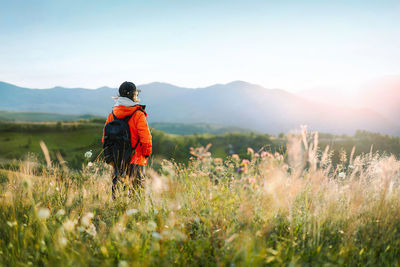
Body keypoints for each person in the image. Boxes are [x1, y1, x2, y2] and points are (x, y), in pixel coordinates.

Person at [102, 81, 152, 197]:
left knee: (118, 190)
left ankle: (118, 211)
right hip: (135, 158)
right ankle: (136, 214)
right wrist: (146, 153)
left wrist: (111, 157)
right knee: (137, 192)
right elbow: (145, 138)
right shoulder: (138, 114)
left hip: (117, 159)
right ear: (134, 95)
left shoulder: (112, 114)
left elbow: (105, 138)